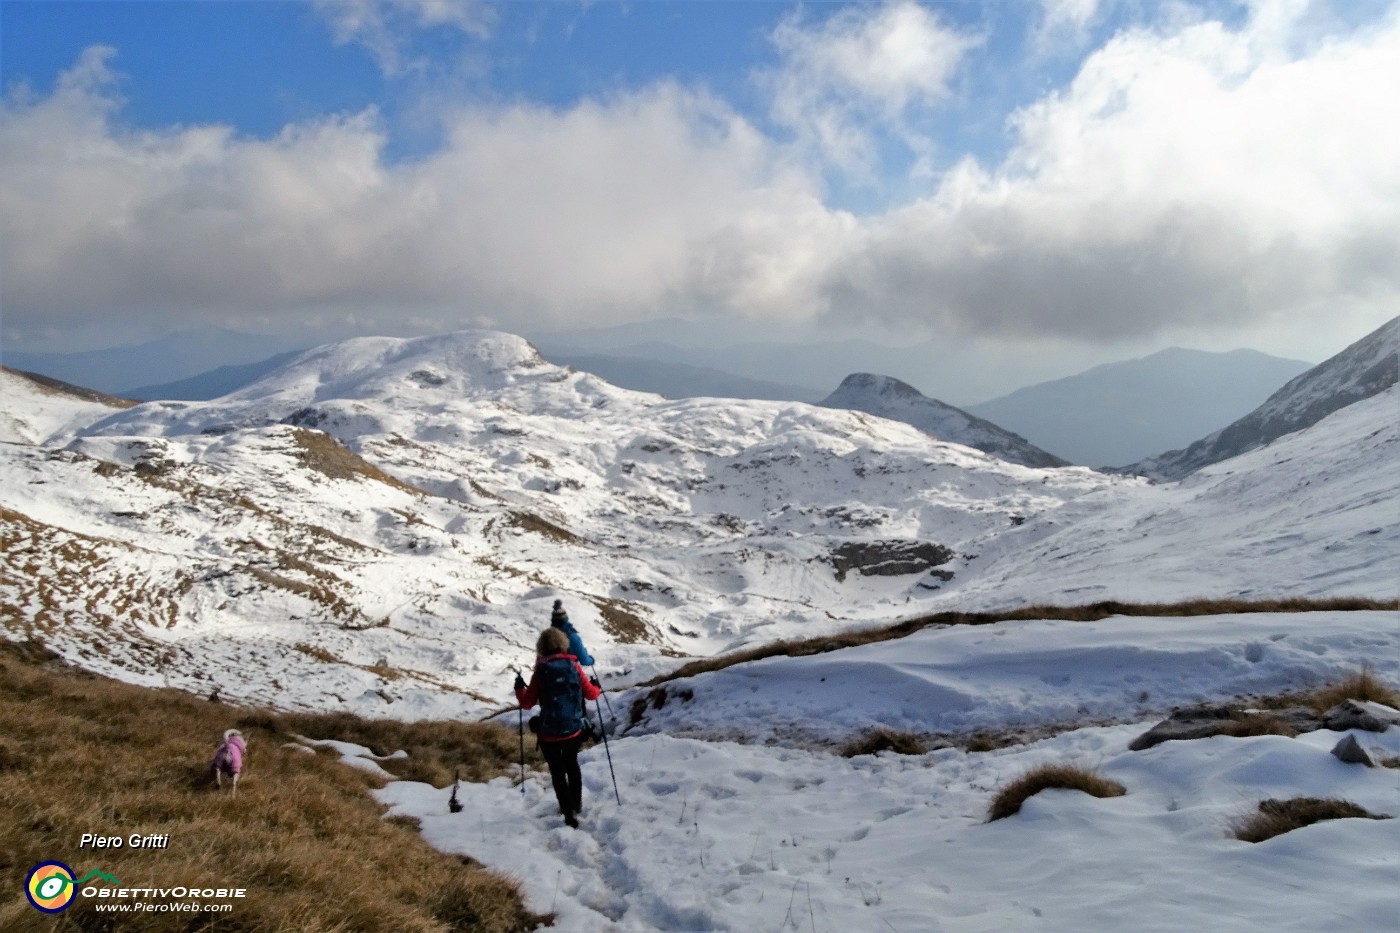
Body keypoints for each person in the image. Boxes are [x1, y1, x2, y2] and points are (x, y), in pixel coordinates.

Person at [515, 627, 601, 828]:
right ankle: (577, 804)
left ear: (541, 648)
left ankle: (566, 810)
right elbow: (591, 694)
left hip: (549, 733)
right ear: (563, 644)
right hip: (573, 729)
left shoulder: (541, 670)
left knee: (557, 771)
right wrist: (596, 686)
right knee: (572, 765)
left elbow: (527, 703)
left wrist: (519, 687)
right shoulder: (573, 666)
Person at [550, 599, 595, 668]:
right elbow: (584, 661)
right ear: (566, 618)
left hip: (548, 675)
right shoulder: (573, 637)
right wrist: (591, 660)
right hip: (568, 673)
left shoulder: (548, 637)